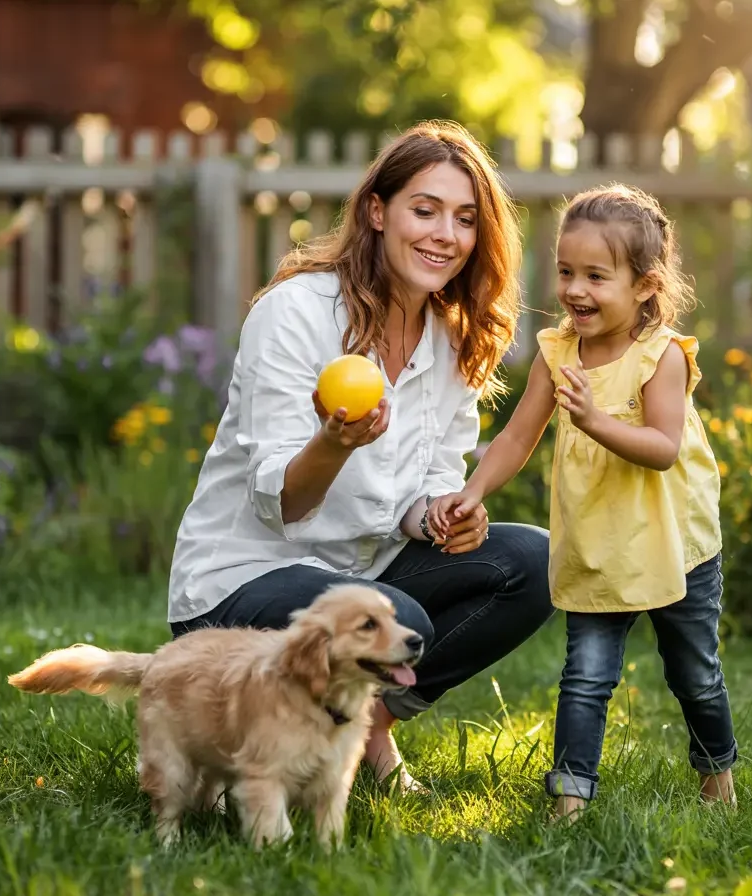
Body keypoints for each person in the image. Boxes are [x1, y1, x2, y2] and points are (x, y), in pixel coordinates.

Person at [166, 120, 554, 791]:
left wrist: (441, 516)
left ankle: (366, 723)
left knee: (538, 563)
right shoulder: (296, 312)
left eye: (464, 219)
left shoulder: (449, 339)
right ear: (377, 211)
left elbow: (425, 487)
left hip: (364, 575)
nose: (445, 235)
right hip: (244, 582)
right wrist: (334, 443)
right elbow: (282, 501)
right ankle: (308, 734)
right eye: (424, 210)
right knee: (400, 620)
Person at [428, 183, 738, 817]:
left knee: (694, 675)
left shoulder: (662, 357)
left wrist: (596, 421)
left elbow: (661, 447)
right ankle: (570, 801)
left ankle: (717, 778)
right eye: (567, 272)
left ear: (646, 285)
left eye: (597, 276)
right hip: (598, 545)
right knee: (586, 677)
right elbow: (518, 435)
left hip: (674, 547)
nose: (575, 290)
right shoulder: (557, 350)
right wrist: (472, 491)